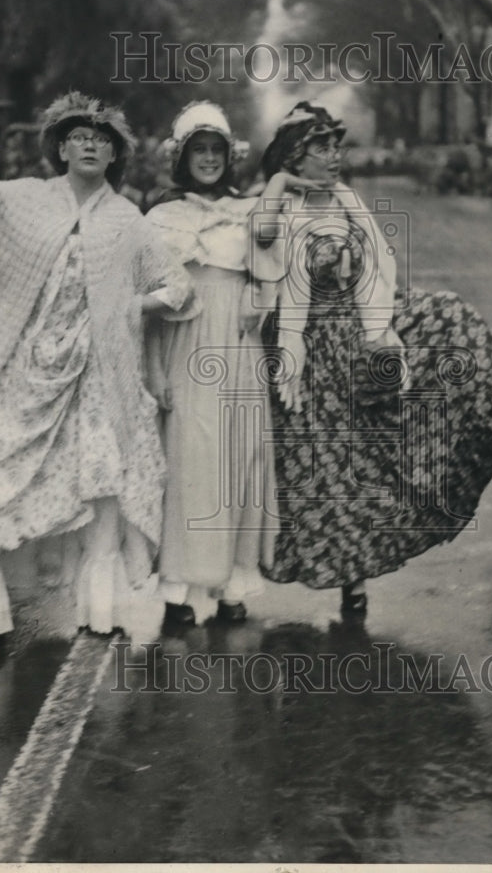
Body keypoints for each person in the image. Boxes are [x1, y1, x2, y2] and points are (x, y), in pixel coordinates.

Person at [0, 82, 191, 657]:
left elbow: (176, 286)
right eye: (77, 138)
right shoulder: (25, 199)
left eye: (100, 140)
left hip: (97, 381)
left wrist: (126, 309)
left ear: (115, 155)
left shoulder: (126, 221)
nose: (89, 146)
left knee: (102, 495)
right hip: (20, 373)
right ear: (60, 149)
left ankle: (102, 614)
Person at [259, 101, 492, 614]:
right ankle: (350, 579)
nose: (335, 156)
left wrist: (381, 327)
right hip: (309, 352)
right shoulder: (282, 209)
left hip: (361, 330)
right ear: (295, 156)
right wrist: (279, 186)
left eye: (336, 145)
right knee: (338, 470)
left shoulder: (348, 200)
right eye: (322, 147)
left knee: (447, 312)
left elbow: (382, 264)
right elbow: (261, 237)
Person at [145, 102, 319, 627]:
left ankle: (229, 585)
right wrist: (152, 369)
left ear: (229, 157)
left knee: (236, 457)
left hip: (239, 346)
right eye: (198, 150)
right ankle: (176, 588)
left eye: (216, 151)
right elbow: (146, 300)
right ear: (182, 157)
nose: (208, 160)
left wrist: (256, 297)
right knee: (187, 457)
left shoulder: (248, 212)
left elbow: (270, 267)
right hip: (183, 339)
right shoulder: (159, 216)